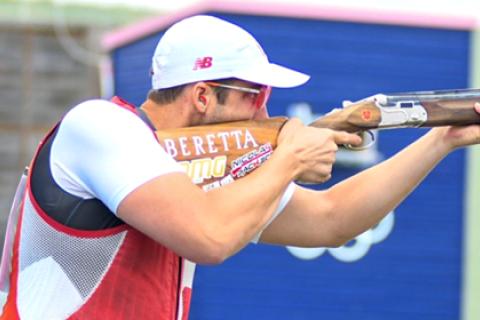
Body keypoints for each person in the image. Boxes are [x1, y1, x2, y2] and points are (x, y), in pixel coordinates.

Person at [1, 15, 479, 320]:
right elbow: (208, 237)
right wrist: (287, 158)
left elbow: (334, 219)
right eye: (255, 96)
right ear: (203, 95)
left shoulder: (193, 170)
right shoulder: (99, 124)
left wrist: (439, 140)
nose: (264, 111)